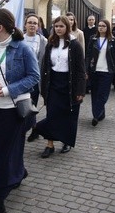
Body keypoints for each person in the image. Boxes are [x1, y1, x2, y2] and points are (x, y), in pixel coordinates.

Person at [0, 8, 40, 213]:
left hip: (12, 111)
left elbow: (34, 76)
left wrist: (7, 90)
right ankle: (17, 172)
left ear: (0, 27)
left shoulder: (22, 49)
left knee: (3, 154)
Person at [36, 16, 86, 157]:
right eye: (56, 26)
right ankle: (49, 144)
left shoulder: (74, 45)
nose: (58, 29)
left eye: (61, 26)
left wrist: (81, 90)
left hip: (69, 84)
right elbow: (45, 65)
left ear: (67, 27)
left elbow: (81, 69)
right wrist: (43, 87)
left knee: (68, 115)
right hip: (53, 83)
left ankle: (66, 141)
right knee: (52, 115)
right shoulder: (50, 43)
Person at [85, 19, 115, 126]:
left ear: (108, 28)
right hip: (94, 70)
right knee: (95, 94)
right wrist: (86, 70)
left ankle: (96, 115)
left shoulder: (112, 40)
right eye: (99, 25)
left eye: (103, 26)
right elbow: (88, 55)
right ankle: (100, 114)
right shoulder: (93, 39)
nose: (101, 27)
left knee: (103, 94)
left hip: (107, 71)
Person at [22, 13, 48, 142]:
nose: (32, 25)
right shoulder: (19, 39)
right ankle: (24, 129)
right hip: (21, 79)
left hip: (35, 80)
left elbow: (46, 61)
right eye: (30, 22)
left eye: (35, 23)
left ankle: (33, 129)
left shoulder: (43, 41)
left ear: (38, 26)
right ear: (25, 24)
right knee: (21, 105)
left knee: (32, 105)